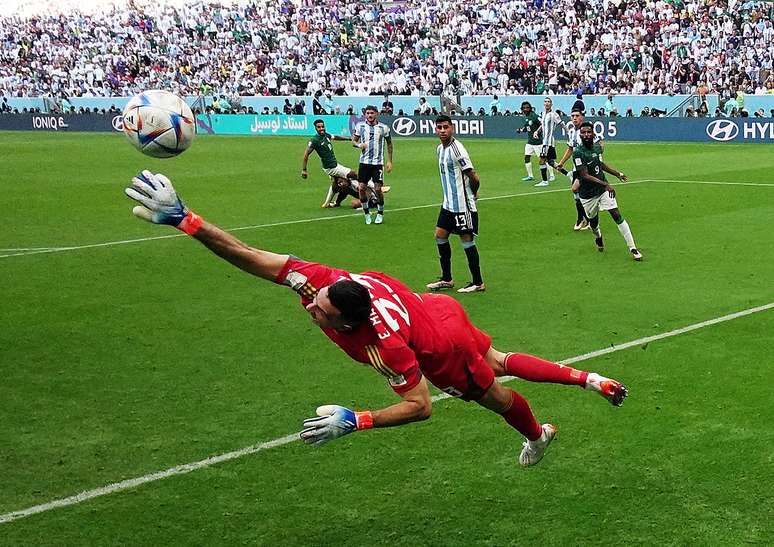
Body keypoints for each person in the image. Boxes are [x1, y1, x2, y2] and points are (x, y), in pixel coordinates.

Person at [123, 171, 630, 466]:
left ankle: (538, 435)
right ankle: (588, 379)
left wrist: (357, 420)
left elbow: (420, 405)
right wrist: (188, 221)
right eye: (316, 301)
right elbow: (251, 255)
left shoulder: (382, 346)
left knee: (495, 392)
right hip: (437, 308)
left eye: (322, 311)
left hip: (438, 343)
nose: (312, 308)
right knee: (499, 358)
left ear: (348, 322)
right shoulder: (323, 281)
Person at [426, 115, 485, 293]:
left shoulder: (457, 149)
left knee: (466, 241)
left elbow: (473, 176)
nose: (442, 130)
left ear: (452, 128)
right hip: (448, 204)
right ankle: (447, 279)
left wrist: (473, 194)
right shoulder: (439, 149)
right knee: (440, 236)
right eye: (439, 127)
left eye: (446, 127)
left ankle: (478, 282)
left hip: (462, 205)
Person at [571, 122, 643, 261]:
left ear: (593, 134)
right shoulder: (578, 153)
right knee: (593, 223)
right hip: (587, 195)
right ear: (580, 135)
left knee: (616, 214)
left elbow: (600, 164)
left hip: (602, 189)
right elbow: (584, 175)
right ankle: (598, 237)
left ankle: (633, 248)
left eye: (588, 132)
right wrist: (606, 184)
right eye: (583, 132)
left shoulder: (597, 148)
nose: (586, 135)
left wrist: (617, 174)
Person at [301, 119, 360, 208]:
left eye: (322, 126)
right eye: (319, 127)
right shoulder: (314, 140)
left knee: (337, 184)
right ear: (315, 128)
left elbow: (335, 137)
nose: (321, 128)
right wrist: (304, 170)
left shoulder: (326, 135)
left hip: (333, 165)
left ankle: (328, 203)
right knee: (354, 174)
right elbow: (306, 155)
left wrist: (348, 138)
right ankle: (375, 186)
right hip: (332, 167)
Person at [351, 105, 394, 225]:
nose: (370, 115)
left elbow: (389, 144)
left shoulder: (383, 128)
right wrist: (359, 145)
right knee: (361, 188)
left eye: (372, 113)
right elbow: (353, 141)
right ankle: (366, 213)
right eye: (368, 113)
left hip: (377, 163)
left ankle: (380, 213)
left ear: (377, 114)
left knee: (378, 189)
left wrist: (390, 161)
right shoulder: (360, 126)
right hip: (364, 163)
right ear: (365, 114)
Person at [556, 109, 595, 231]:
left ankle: (584, 219)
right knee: (578, 194)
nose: (574, 118)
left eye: (577, 116)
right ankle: (586, 219)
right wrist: (561, 163)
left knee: (577, 190)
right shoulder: (572, 132)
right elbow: (570, 149)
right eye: (572, 116)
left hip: (588, 169)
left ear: (582, 117)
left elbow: (600, 146)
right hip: (576, 169)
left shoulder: (587, 131)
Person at [534, 97, 562, 187]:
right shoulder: (543, 114)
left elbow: (561, 123)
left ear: (551, 104)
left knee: (541, 160)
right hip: (545, 142)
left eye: (548, 102)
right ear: (543, 104)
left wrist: (569, 133)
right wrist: (537, 131)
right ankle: (569, 174)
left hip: (548, 142)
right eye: (545, 102)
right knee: (551, 162)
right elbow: (543, 125)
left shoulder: (553, 114)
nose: (547, 103)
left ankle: (544, 181)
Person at [516, 101, 541, 182]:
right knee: (527, 157)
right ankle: (530, 176)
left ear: (530, 108)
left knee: (543, 160)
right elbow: (527, 128)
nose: (526, 109)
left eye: (527, 108)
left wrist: (537, 132)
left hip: (538, 142)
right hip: (530, 142)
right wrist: (520, 130)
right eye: (524, 108)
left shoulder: (534, 116)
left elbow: (542, 124)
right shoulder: (526, 117)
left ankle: (551, 175)